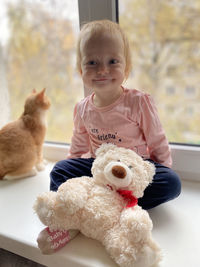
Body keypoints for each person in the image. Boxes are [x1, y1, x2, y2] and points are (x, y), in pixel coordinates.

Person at [37, 19, 181, 254]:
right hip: (100, 172)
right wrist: (72, 170)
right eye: (92, 62)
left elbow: (157, 141)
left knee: (172, 183)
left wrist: (158, 169)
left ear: (126, 67)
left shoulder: (138, 101)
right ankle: (68, 216)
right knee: (60, 170)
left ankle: (104, 208)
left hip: (134, 172)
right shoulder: (82, 108)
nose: (102, 69)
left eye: (112, 61)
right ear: (81, 70)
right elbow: (78, 145)